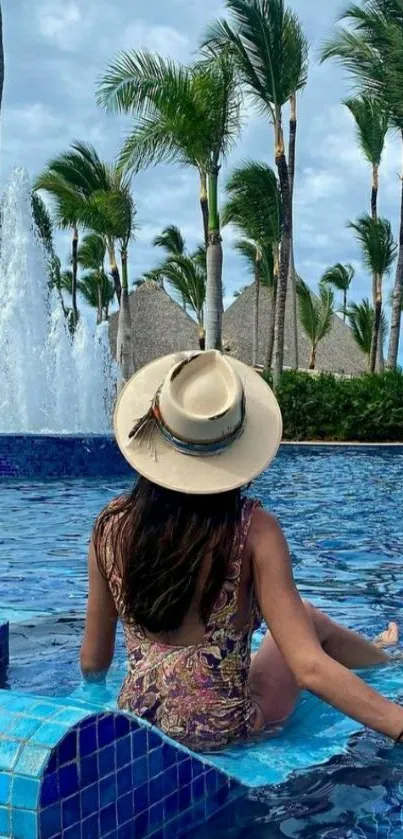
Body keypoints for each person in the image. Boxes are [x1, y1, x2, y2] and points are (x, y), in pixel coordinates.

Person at [81, 350, 403, 753]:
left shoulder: (110, 526)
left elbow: (94, 662)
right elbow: (308, 669)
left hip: (138, 718)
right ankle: (386, 661)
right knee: (305, 619)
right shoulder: (253, 531)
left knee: (303, 618)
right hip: (222, 729)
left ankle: (382, 651)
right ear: (236, 443)